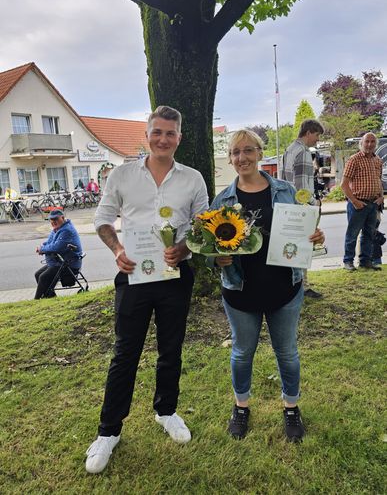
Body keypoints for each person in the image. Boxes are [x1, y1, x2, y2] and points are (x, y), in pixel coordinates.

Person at [85, 106, 208, 474]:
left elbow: (203, 225)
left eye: (170, 133)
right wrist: (118, 250)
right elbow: (102, 220)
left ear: (179, 138)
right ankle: (109, 432)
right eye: (157, 132)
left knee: (170, 350)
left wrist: (183, 247)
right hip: (134, 277)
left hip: (175, 276)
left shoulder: (193, 179)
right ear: (147, 134)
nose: (163, 139)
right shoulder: (122, 175)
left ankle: (166, 411)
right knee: (125, 353)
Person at [210, 129, 325, 442]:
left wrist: (315, 237)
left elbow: (305, 231)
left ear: (260, 153)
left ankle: (291, 409)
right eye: (236, 152)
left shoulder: (286, 191)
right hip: (240, 290)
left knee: (286, 354)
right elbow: (211, 248)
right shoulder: (222, 201)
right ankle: (241, 407)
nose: (242, 157)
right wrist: (217, 259)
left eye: (248, 150)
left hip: (284, 289)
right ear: (231, 158)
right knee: (241, 353)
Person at [280, 119, 325, 299]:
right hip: (301, 208)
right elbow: (302, 187)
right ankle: (303, 287)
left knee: (291, 247)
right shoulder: (304, 152)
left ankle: (294, 284)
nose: (317, 140)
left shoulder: (289, 149)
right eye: (317, 135)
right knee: (305, 246)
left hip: (287, 205)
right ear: (308, 133)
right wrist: (314, 203)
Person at [341, 132, 384, 271]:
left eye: (372, 142)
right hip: (358, 204)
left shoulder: (378, 160)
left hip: (373, 204)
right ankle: (348, 261)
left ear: (375, 144)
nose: (369, 144)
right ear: (361, 143)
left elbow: (378, 180)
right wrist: (354, 201)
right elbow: (344, 184)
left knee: (369, 234)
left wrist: (381, 196)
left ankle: (365, 261)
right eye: (367, 141)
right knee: (352, 234)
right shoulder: (354, 160)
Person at [34, 209, 83, 299]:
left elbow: (56, 247)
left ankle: (36, 301)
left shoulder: (67, 230)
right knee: (38, 274)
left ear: (62, 218)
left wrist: (43, 249)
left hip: (68, 264)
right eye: (51, 220)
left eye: (55, 219)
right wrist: (42, 247)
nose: (53, 222)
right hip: (58, 262)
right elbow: (49, 243)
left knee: (43, 277)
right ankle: (51, 298)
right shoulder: (56, 229)